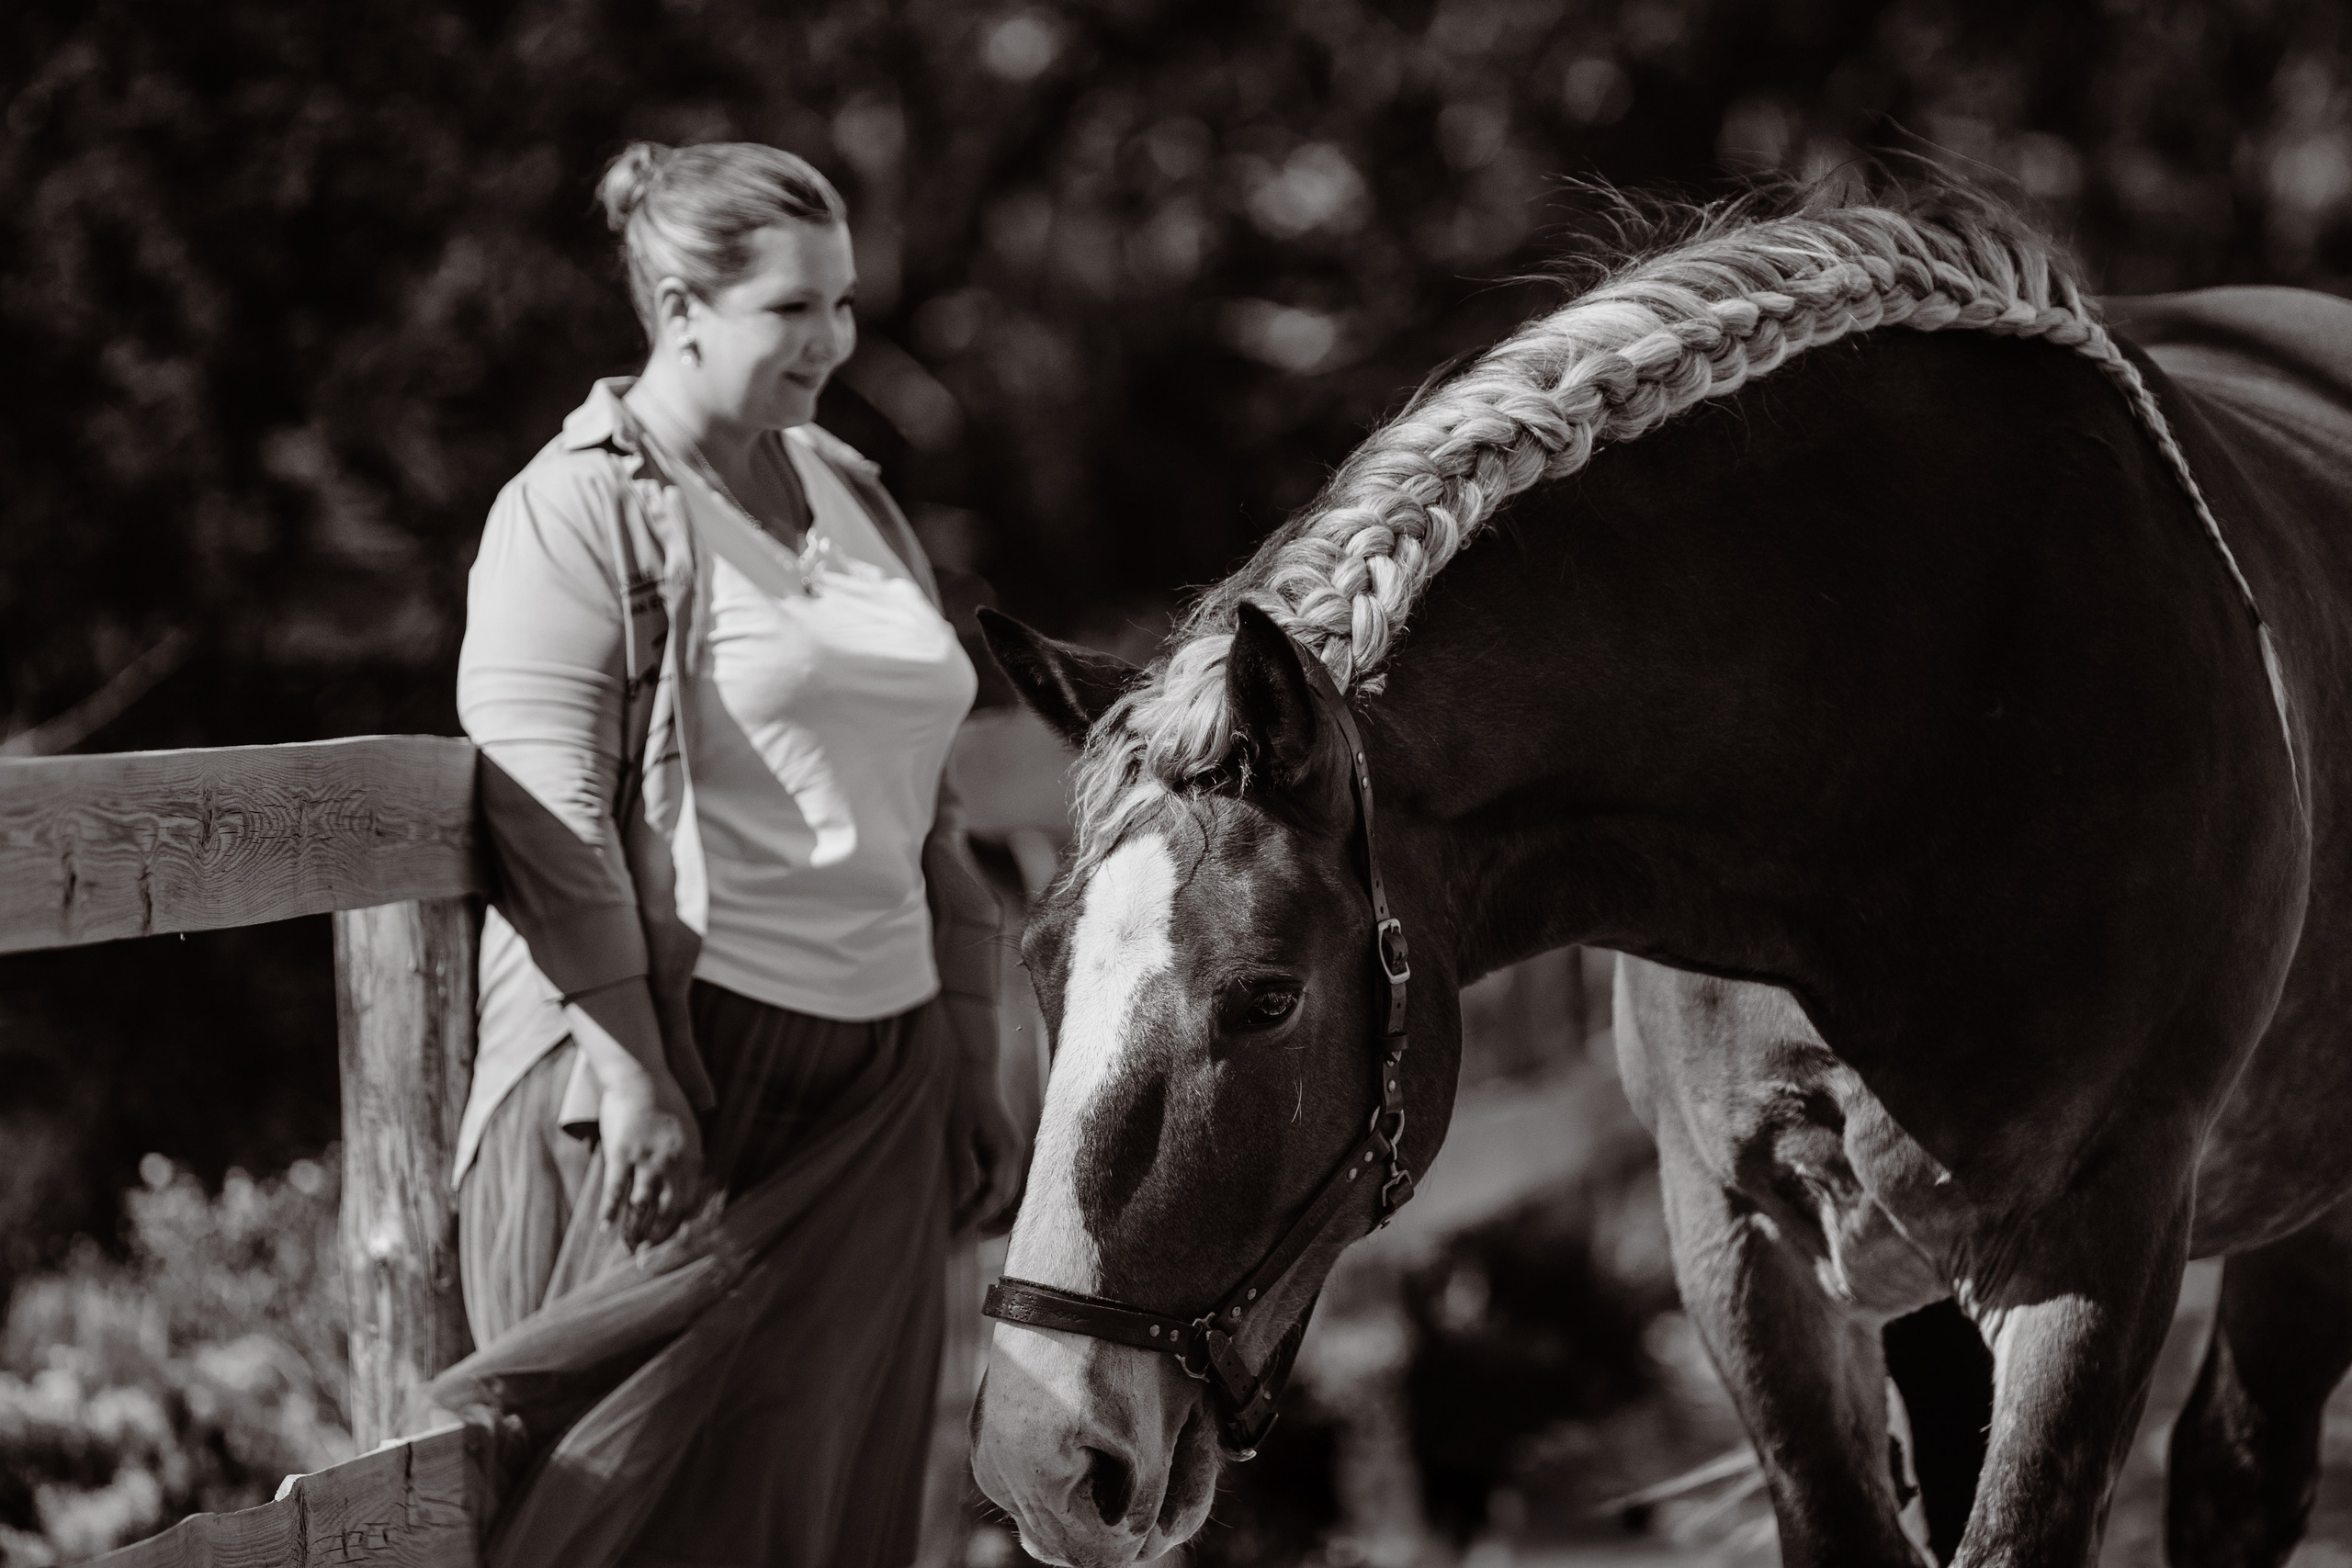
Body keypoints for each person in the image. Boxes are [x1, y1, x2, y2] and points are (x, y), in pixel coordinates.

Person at [423, 140, 1023, 1568]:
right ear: (682, 306)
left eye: (845, 303)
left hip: (879, 1087)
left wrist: (971, 1044)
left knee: (838, 1519)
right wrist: (633, 1072)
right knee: (632, 1521)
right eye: (792, 310)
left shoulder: (856, 496)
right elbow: (545, 813)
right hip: (692, 1081)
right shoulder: (573, 512)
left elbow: (925, 802)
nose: (833, 341)